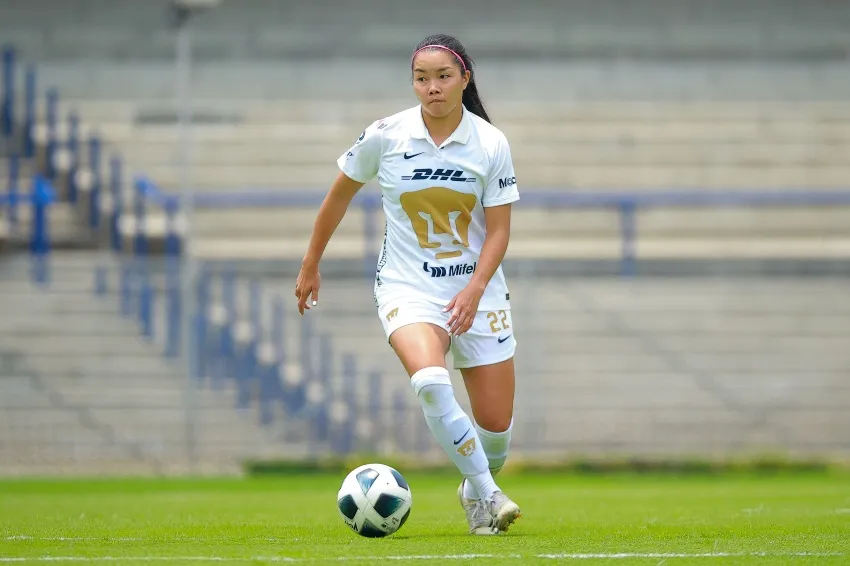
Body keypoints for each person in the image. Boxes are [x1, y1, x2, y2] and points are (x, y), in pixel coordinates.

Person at [294, 33, 521, 535]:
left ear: (465, 77)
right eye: (422, 78)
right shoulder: (385, 135)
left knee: (498, 434)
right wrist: (311, 263)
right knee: (429, 380)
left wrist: (475, 289)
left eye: (443, 77)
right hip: (406, 288)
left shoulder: (490, 142)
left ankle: (478, 480)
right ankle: (488, 495)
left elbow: (500, 230)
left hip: (478, 292)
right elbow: (337, 198)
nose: (433, 88)